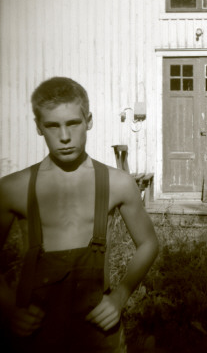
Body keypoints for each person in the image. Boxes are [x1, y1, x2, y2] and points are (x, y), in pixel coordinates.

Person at [0, 77, 159, 352]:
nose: (64, 136)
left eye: (73, 123)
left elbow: (148, 243)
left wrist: (120, 296)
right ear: (39, 127)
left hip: (97, 329)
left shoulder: (117, 183)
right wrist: (8, 307)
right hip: (33, 330)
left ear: (89, 121)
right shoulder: (14, 188)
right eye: (52, 126)